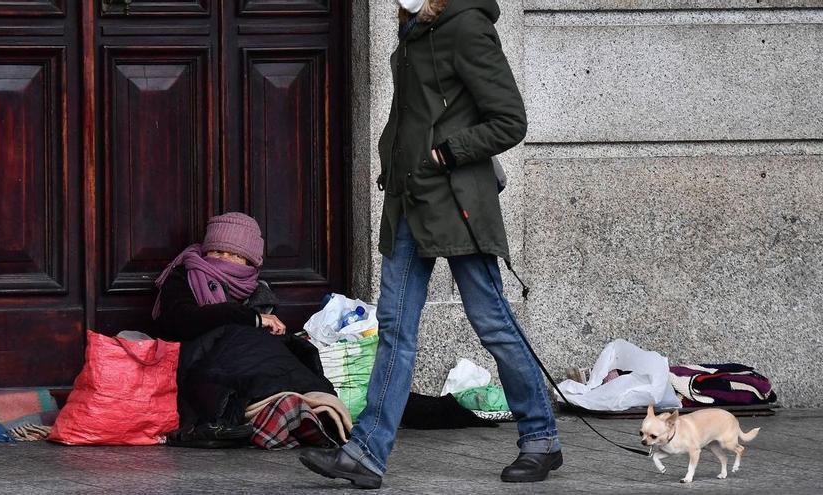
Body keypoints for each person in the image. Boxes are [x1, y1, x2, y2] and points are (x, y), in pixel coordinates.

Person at [299, 0, 561, 488]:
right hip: (409, 200)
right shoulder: (416, 29)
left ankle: (541, 438)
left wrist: (446, 153)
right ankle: (366, 454)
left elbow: (510, 119)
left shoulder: (466, 27)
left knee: (493, 322)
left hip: (457, 203)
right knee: (396, 327)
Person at [150, 212, 338, 446]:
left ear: (250, 262)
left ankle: (311, 408)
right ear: (206, 251)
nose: (224, 259)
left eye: (235, 255)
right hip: (200, 364)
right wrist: (251, 319)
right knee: (243, 344)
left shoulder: (258, 291)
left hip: (248, 366)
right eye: (217, 252)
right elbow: (184, 321)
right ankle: (278, 414)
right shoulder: (183, 277)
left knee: (288, 351)